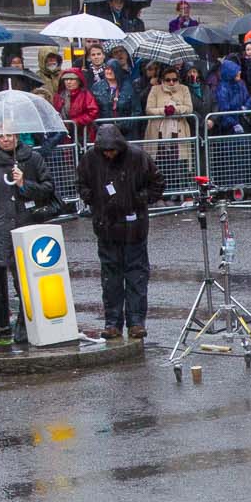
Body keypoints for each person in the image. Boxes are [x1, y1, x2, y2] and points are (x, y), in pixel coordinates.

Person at [76, 123, 163, 340]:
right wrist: (93, 198)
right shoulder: (90, 160)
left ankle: (135, 322)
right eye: (105, 151)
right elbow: (81, 183)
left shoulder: (137, 157)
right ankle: (113, 322)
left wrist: (139, 199)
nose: (109, 154)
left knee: (136, 275)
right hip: (106, 227)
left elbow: (157, 183)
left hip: (134, 228)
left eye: (112, 150)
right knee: (111, 277)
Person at [0, 131, 52, 342]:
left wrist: (24, 184)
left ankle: (26, 319)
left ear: (16, 136)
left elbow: (48, 188)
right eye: (0, 136)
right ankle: (19, 318)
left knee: (25, 276)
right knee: (9, 273)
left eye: (9, 135)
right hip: (1, 227)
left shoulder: (33, 158)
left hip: (27, 225)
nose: (5, 139)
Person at [144, 63, 194, 167]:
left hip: (178, 134)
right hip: (159, 134)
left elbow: (189, 108)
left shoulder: (184, 89)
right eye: (168, 80)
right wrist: (164, 111)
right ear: (162, 80)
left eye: (174, 79)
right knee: (159, 165)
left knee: (178, 166)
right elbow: (149, 109)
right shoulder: (155, 89)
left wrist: (175, 110)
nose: (171, 82)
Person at [56, 67, 99, 147]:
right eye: (66, 79)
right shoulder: (59, 96)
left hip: (84, 134)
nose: (68, 82)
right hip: (65, 134)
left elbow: (93, 112)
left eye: (72, 79)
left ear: (79, 81)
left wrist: (77, 121)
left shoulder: (86, 95)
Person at [211, 56, 251, 132]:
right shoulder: (222, 89)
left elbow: (248, 98)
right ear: (230, 73)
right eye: (236, 71)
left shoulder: (241, 84)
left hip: (243, 121)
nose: (239, 72)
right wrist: (234, 123)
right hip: (229, 127)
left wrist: (246, 107)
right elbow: (223, 110)